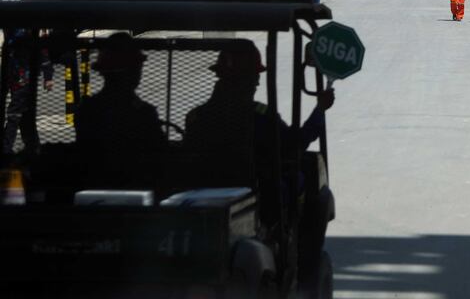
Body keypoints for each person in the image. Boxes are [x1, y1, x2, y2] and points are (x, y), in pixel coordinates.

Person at [184, 44, 334, 214]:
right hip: (256, 195)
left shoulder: (196, 117)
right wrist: (319, 110)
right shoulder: (261, 117)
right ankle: (285, 234)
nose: (257, 82)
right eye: (254, 76)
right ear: (245, 80)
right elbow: (294, 145)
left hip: (198, 195)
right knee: (298, 178)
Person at [75, 33, 167, 183]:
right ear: (132, 72)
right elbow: (160, 156)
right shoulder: (143, 113)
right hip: (137, 186)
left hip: (94, 184)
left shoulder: (87, 109)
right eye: (137, 68)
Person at [1, 0, 54, 155]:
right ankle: (32, 147)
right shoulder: (12, 26)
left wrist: (48, 75)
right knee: (24, 115)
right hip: (14, 74)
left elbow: (40, 52)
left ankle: (6, 150)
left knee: (15, 113)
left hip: (23, 75)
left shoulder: (24, 29)